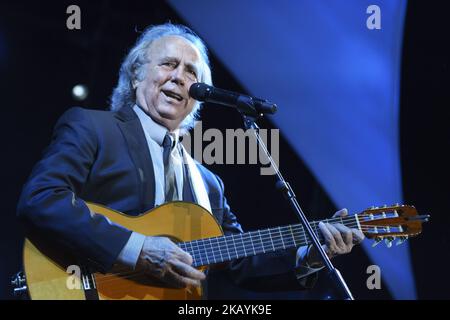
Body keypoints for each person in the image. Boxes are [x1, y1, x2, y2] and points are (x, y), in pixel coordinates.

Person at [17, 23, 364, 297]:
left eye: (191, 72)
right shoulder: (93, 127)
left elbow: (240, 262)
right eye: (168, 64)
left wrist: (311, 256)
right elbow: (42, 199)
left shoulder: (209, 184)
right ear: (138, 74)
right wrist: (138, 249)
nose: (180, 77)